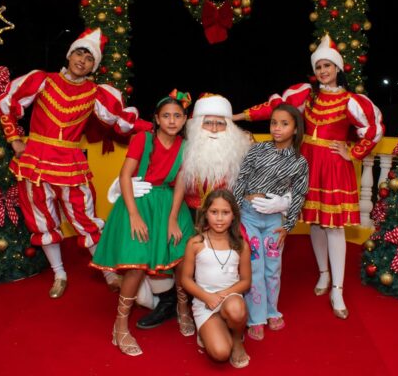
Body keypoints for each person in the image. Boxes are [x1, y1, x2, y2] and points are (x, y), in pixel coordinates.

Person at [233, 34, 384, 319]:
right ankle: (323, 273)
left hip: (334, 167)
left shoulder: (352, 101)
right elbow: (275, 109)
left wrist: (352, 151)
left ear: (338, 68)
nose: (323, 71)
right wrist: (235, 117)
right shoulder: (307, 96)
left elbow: (373, 129)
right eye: (319, 67)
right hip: (307, 164)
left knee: (333, 226)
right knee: (315, 221)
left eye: (328, 65)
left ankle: (338, 288)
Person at [0, 28, 146, 298]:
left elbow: (123, 121)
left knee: (85, 218)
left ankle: (109, 273)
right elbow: (7, 102)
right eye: (79, 54)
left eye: (89, 59)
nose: (82, 61)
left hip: (70, 164)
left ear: (93, 66)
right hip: (36, 163)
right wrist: (14, 139)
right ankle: (59, 274)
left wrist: (156, 127)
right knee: (42, 219)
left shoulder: (96, 93)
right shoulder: (43, 80)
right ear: (69, 55)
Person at [130, 93, 255, 331]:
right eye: (208, 122)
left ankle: (228, 301)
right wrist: (126, 184)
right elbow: (159, 174)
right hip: (186, 211)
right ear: (197, 124)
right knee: (170, 251)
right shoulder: (184, 147)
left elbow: (254, 182)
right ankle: (171, 302)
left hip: (225, 217)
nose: (214, 129)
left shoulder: (242, 149)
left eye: (220, 123)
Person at [90, 91, 195, 356]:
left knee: (182, 257)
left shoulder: (186, 146)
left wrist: (173, 219)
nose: (172, 121)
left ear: (185, 119)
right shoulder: (142, 139)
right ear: (157, 119)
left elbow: (181, 183)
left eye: (177, 116)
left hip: (169, 205)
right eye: (166, 116)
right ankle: (120, 325)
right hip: (139, 203)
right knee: (136, 264)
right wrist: (134, 215)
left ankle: (183, 308)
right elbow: (125, 175)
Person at [233, 104, 309, 340]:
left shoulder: (299, 162)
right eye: (274, 122)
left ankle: (272, 311)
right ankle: (256, 318)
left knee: (273, 268)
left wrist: (287, 225)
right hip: (248, 217)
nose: (277, 128)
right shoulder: (257, 150)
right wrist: (236, 214)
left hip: (274, 221)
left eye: (284, 124)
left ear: (295, 129)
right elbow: (240, 181)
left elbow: (299, 194)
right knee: (254, 266)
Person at [181, 189, 252, 369]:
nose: (219, 218)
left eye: (225, 212)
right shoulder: (195, 243)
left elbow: (246, 281)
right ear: (205, 214)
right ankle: (211, 329)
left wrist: (222, 294)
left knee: (236, 309)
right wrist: (207, 297)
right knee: (220, 354)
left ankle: (237, 339)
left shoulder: (241, 245)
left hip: (230, 298)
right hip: (204, 303)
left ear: (233, 216)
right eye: (214, 212)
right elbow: (186, 279)